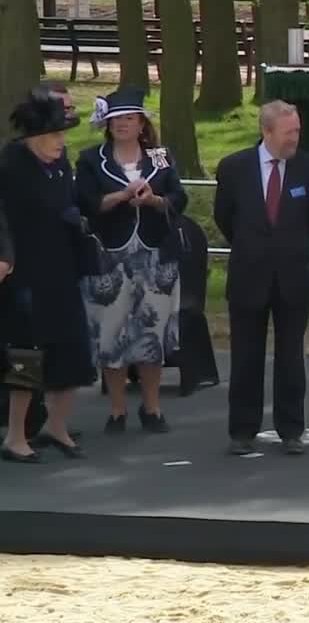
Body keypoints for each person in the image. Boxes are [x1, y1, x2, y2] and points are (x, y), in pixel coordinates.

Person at [213, 100, 309, 457]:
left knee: (291, 357)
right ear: (267, 131)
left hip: (293, 277)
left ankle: (291, 430)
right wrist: (254, 246)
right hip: (249, 275)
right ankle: (242, 430)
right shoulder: (234, 168)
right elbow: (225, 218)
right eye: (289, 131)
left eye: (298, 130)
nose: (295, 138)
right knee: (246, 356)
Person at [76, 88, 187, 434]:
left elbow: (179, 198)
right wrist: (122, 196)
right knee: (112, 336)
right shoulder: (92, 159)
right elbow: (86, 203)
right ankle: (117, 409)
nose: (122, 124)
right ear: (107, 125)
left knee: (150, 334)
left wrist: (154, 200)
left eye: (129, 118)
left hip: (155, 258)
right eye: (116, 119)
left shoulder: (160, 156)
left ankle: (152, 408)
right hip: (109, 258)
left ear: (141, 124)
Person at [0, 89, 96, 463]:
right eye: (54, 136)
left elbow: (68, 200)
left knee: (69, 348)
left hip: (62, 266)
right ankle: (16, 435)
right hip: (24, 271)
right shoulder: (10, 165)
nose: (61, 142)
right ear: (33, 138)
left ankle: (58, 427)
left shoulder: (61, 163)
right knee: (27, 354)